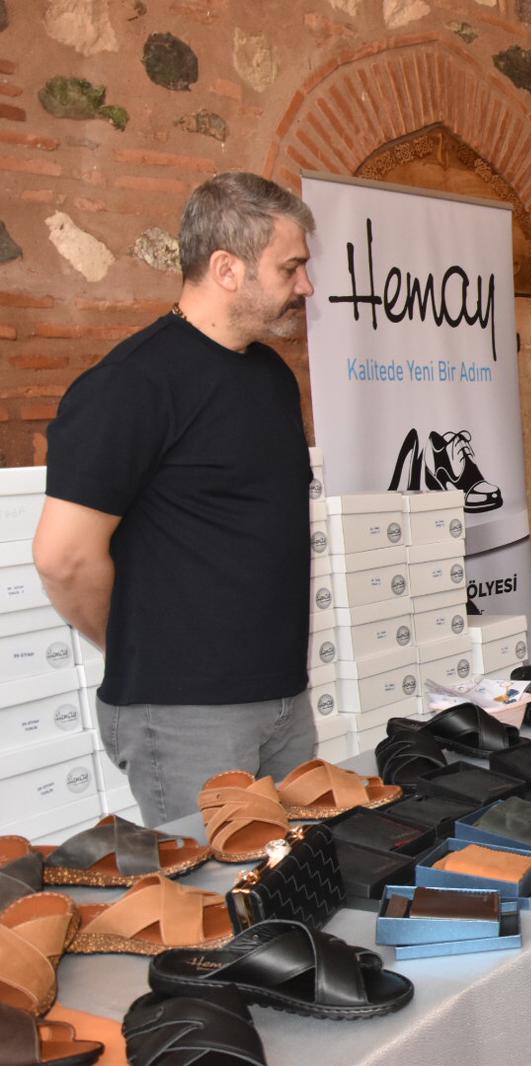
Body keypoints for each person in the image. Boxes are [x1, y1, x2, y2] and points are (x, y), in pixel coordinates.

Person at [33, 172, 318, 825]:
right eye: (291, 267)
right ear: (226, 268)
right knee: (218, 890)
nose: (305, 285)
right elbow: (62, 558)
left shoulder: (271, 377)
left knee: (302, 873)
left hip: (283, 699)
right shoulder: (131, 385)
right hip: (185, 717)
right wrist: (140, 647)